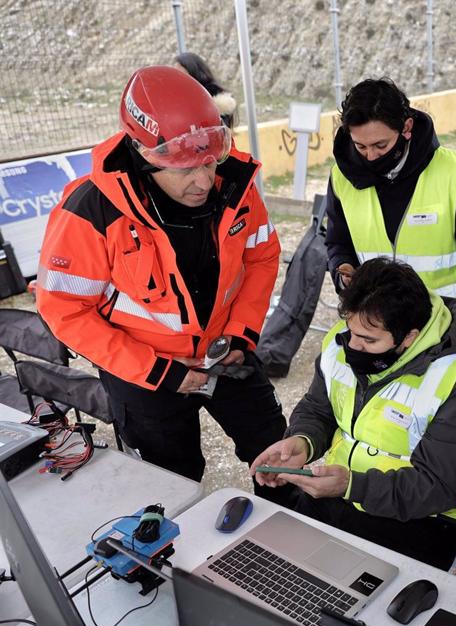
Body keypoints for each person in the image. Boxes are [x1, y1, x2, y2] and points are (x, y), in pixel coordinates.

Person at [36, 66, 289, 503]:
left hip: (226, 352)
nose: (204, 181)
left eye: (210, 162)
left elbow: (261, 256)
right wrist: (157, 371)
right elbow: (64, 309)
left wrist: (242, 333)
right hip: (147, 375)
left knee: (278, 457)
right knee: (171, 486)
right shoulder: (91, 211)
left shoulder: (234, 186)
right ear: (144, 154)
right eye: (186, 169)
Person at [252, 258, 456, 570]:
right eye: (351, 331)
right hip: (338, 493)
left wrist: (351, 486)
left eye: (369, 341)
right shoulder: (343, 340)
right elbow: (319, 408)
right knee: (271, 567)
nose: (353, 346)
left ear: (409, 337)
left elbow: (438, 487)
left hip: (421, 523)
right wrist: (302, 443)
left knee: (338, 598)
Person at [325, 78, 456, 353]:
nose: (370, 156)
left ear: (406, 128)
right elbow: (336, 242)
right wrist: (341, 269)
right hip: (375, 337)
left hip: (443, 332)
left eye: (381, 146)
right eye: (360, 147)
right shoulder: (341, 178)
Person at [174, 51, 237, 129]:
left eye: (182, 76)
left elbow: (220, 133)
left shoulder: (215, 97)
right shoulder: (177, 100)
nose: (178, 81)